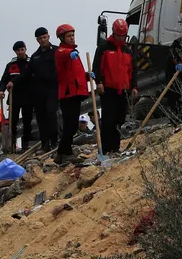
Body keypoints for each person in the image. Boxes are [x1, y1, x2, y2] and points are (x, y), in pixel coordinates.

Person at [94, 18, 138, 154]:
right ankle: (106, 149)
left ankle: (115, 147)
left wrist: (134, 87)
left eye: (123, 35)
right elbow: (97, 66)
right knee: (108, 120)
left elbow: (132, 71)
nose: (120, 38)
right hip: (108, 89)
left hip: (123, 90)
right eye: (118, 35)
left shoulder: (128, 51)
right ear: (113, 32)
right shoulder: (104, 47)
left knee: (120, 119)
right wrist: (99, 82)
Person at [54, 24, 90, 164]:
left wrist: (87, 76)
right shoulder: (63, 52)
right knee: (70, 124)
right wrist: (69, 54)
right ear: (62, 38)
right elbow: (62, 55)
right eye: (69, 36)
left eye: (73, 35)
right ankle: (64, 152)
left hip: (75, 92)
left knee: (72, 124)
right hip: (68, 93)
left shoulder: (74, 53)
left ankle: (62, 153)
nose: (72, 38)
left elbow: (76, 74)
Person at [28, 27, 60, 153]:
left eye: (44, 37)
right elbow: (28, 74)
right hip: (39, 91)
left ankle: (54, 142)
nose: (43, 40)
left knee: (51, 114)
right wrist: (12, 82)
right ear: (37, 40)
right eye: (40, 38)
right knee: (41, 118)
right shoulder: (35, 56)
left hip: (53, 88)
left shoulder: (57, 51)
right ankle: (45, 144)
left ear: (48, 37)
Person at [0, 40, 34, 152]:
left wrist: (14, 81)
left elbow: (28, 76)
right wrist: (1, 90)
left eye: (22, 49)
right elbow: (4, 80)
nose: (20, 52)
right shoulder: (11, 65)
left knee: (27, 122)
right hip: (14, 97)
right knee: (12, 122)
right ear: (15, 52)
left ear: (25, 49)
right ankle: (12, 145)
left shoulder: (31, 63)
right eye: (18, 50)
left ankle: (26, 145)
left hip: (28, 97)